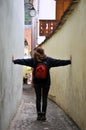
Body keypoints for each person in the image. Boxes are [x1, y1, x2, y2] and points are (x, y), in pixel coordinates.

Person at [12, 47, 72, 121]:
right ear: (43, 52)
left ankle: (38, 115)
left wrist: (14, 61)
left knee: (38, 98)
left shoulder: (33, 60)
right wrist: (69, 61)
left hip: (37, 83)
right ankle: (43, 115)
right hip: (46, 83)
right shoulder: (48, 60)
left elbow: (23, 61)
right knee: (44, 98)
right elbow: (58, 62)